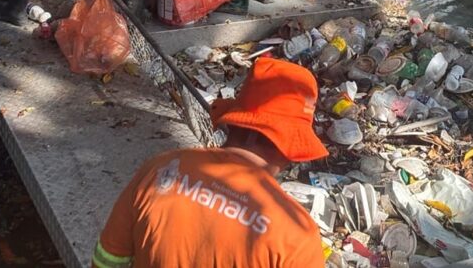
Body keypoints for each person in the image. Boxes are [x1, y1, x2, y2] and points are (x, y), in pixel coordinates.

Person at [91, 57, 327, 268]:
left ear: (233, 122)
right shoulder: (296, 235)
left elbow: (107, 259)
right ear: (289, 148)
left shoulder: (160, 170)